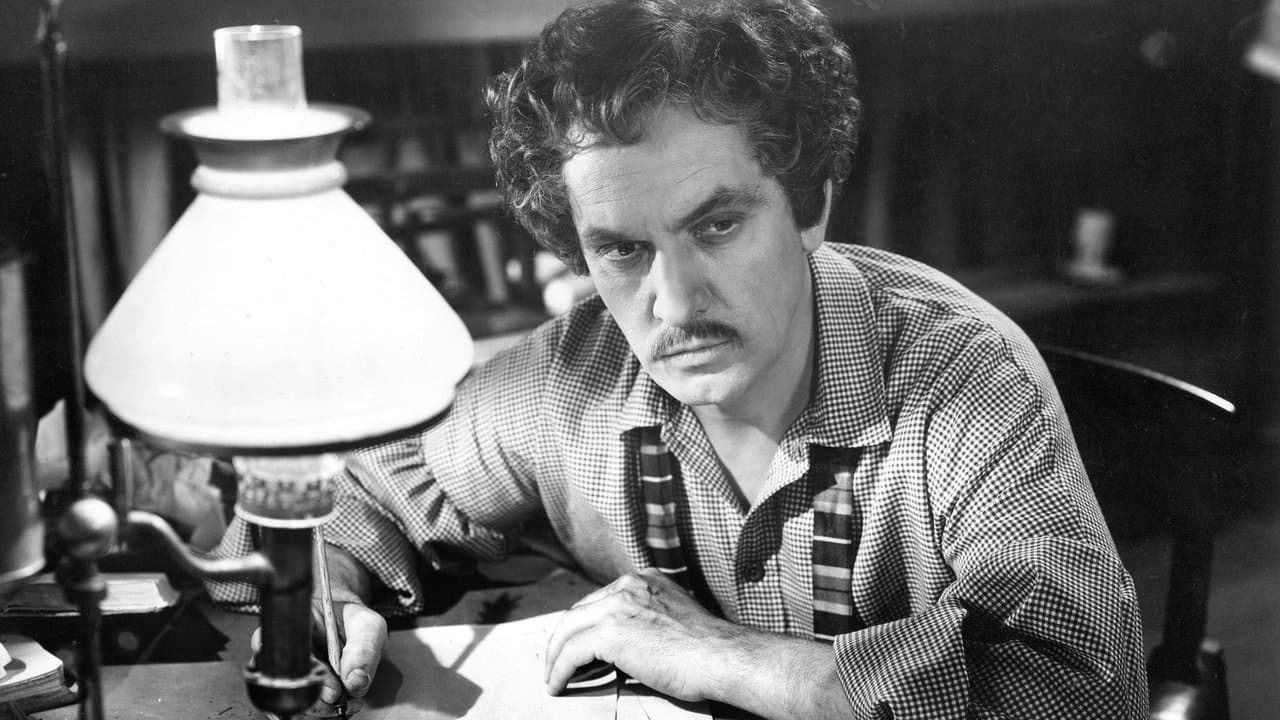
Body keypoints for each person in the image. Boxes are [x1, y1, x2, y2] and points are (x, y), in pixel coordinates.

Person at [212, 0, 1147, 717]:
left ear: (811, 205)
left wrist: (721, 654)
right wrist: (327, 591)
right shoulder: (572, 376)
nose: (674, 301)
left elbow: (1085, 698)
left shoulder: (964, 381)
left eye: (718, 225)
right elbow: (349, 494)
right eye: (623, 250)